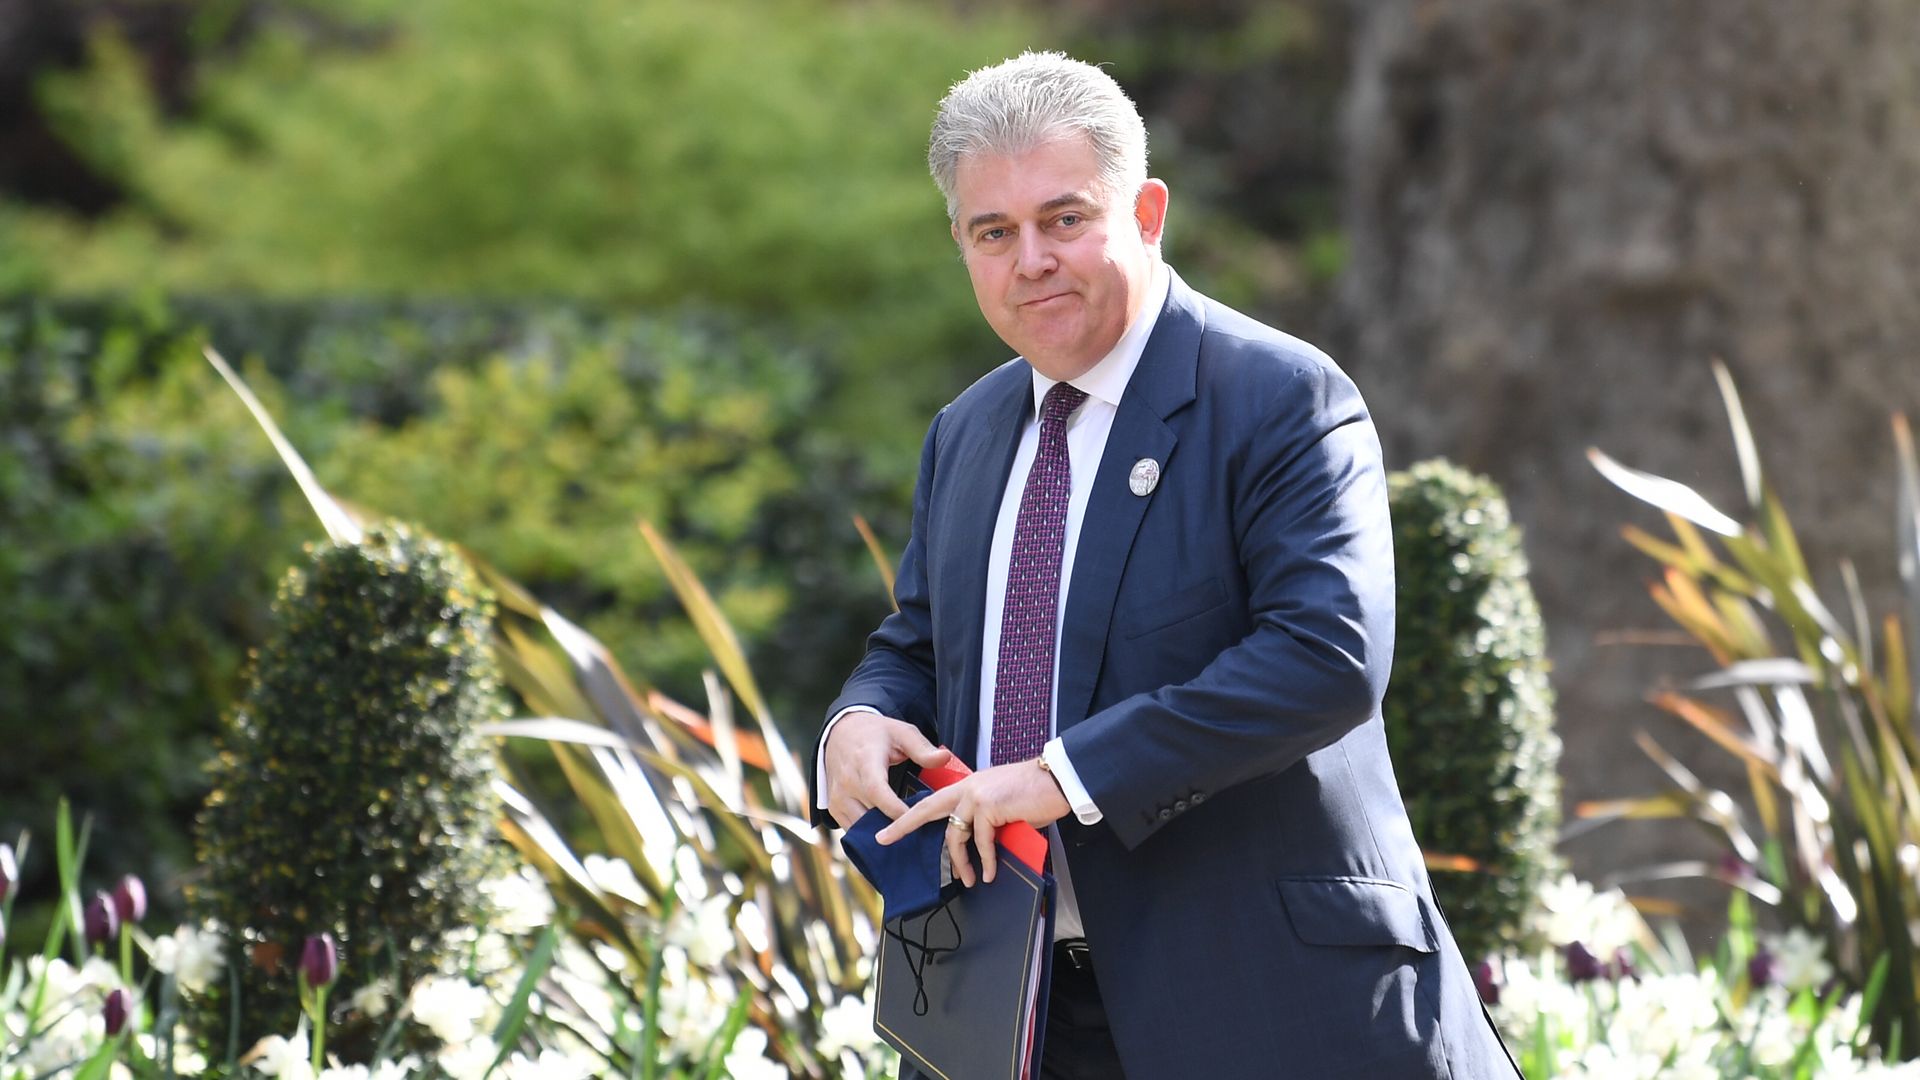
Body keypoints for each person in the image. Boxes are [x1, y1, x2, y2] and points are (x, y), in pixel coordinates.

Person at [812, 51, 1519, 1079]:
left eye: (1065, 219)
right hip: (1015, 1012)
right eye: (993, 233)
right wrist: (859, 719)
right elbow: (917, 643)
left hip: (1267, 1003)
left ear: (1146, 211)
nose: (1032, 261)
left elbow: (1326, 657)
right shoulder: (964, 433)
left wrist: (1064, 779)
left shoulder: (1281, 397)